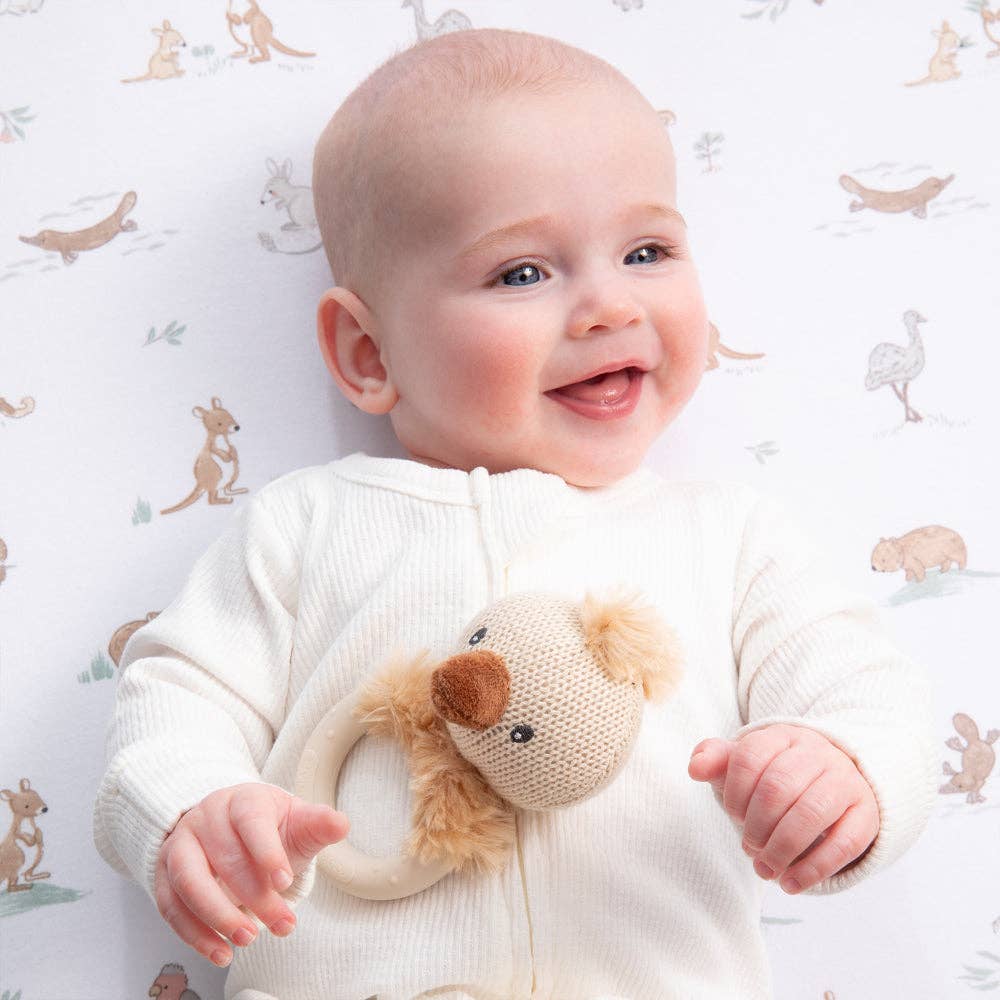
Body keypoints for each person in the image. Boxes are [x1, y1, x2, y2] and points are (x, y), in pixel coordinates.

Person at [92, 27, 938, 1000]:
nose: (609, 306)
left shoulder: (728, 539)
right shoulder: (305, 529)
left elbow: (868, 693)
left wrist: (841, 771)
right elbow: (174, 697)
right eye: (523, 273)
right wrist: (191, 809)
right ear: (369, 353)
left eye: (647, 250)